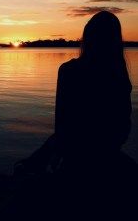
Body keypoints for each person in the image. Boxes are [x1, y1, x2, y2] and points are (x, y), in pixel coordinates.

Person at [15, 11, 132, 174]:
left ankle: (28, 168)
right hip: (107, 152)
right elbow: (123, 128)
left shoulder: (69, 71)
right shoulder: (119, 75)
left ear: (87, 37)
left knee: (40, 159)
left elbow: (62, 126)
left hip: (77, 156)